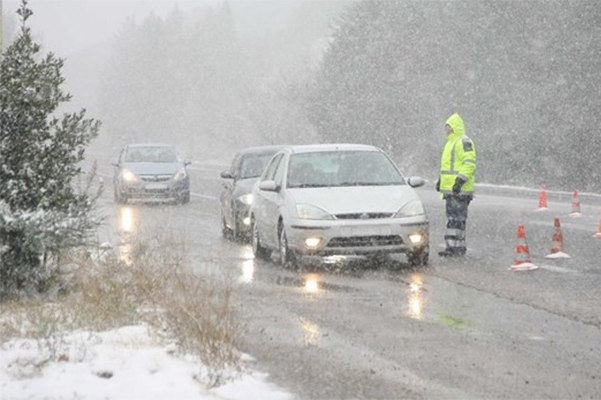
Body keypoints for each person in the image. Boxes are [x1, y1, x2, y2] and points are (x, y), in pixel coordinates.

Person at [435, 113, 477, 257]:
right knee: (454, 220)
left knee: (456, 220)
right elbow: (447, 167)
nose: (446, 129)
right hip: (451, 190)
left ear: (454, 127)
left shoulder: (463, 142)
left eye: (448, 127)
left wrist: (460, 180)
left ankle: (455, 248)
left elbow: (470, 164)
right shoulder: (450, 143)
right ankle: (454, 247)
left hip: (460, 190)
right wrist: (441, 181)